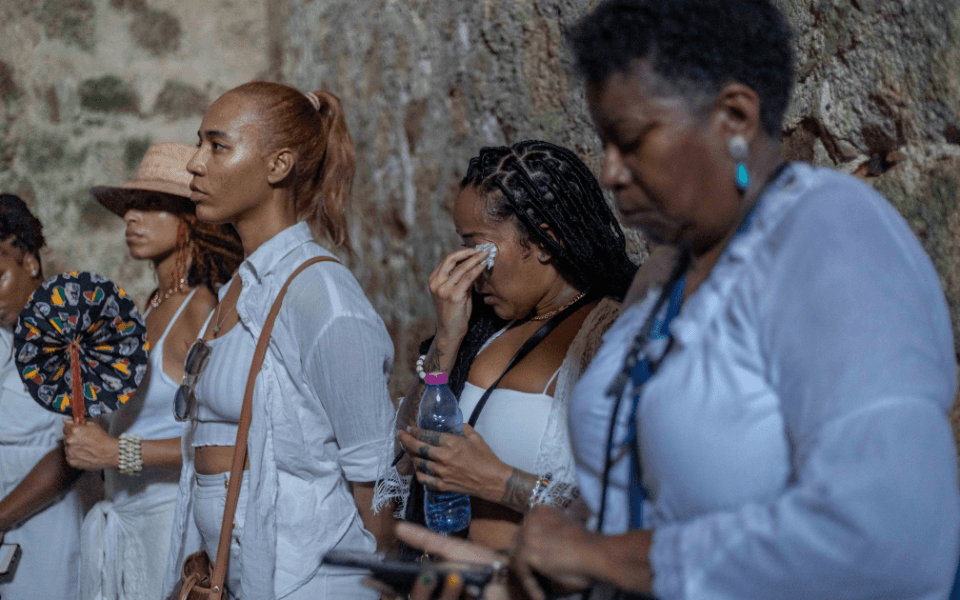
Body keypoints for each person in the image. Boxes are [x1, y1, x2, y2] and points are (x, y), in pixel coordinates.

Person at [389, 1, 960, 599]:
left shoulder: (831, 240)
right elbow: (637, 503)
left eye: (631, 141)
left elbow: (892, 543)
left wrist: (608, 560)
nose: (609, 172)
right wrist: (514, 576)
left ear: (735, 117)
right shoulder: (663, 275)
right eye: (605, 142)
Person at [163, 81, 395, 600]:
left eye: (217, 146)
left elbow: (375, 476)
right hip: (245, 574)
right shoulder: (239, 285)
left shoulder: (321, 294)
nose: (195, 164)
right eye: (199, 143)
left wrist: (381, 584)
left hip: (312, 580)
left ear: (278, 165)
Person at [379, 140, 637, 552]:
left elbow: (629, 513)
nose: (469, 268)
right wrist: (448, 336)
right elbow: (406, 453)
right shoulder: (484, 330)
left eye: (477, 247)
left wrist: (496, 481)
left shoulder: (607, 335)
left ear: (543, 243)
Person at [59, 142, 244, 600]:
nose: (132, 218)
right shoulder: (148, 307)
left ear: (191, 219)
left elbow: (224, 436)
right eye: (129, 208)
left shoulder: (203, 309)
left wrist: (115, 453)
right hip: (120, 510)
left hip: (168, 519)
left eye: (152, 205)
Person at [0, 194, 86, 600]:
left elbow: (73, 455)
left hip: (47, 517)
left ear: (29, 261)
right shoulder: (4, 339)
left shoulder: (68, 338)